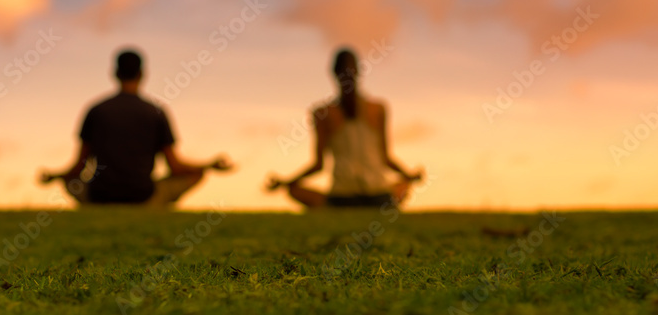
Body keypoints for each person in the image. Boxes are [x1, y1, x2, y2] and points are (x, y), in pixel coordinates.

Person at [40, 49, 232, 207]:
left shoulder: (96, 110)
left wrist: (55, 176)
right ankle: (155, 209)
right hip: (144, 197)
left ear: (115, 73)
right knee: (196, 173)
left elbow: (79, 167)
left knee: (69, 180)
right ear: (142, 74)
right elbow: (175, 165)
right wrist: (208, 166)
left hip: (99, 197)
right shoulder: (156, 111)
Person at [267, 48, 423, 208]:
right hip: (379, 197)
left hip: (341, 199)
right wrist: (409, 176)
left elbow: (318, 165)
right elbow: (386, 158)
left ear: (334, 73)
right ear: (359, 72)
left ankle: (330, 209)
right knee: (403, 186)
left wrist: (287, 183)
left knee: (295, 190)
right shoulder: (377, 108)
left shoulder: (322, 113)